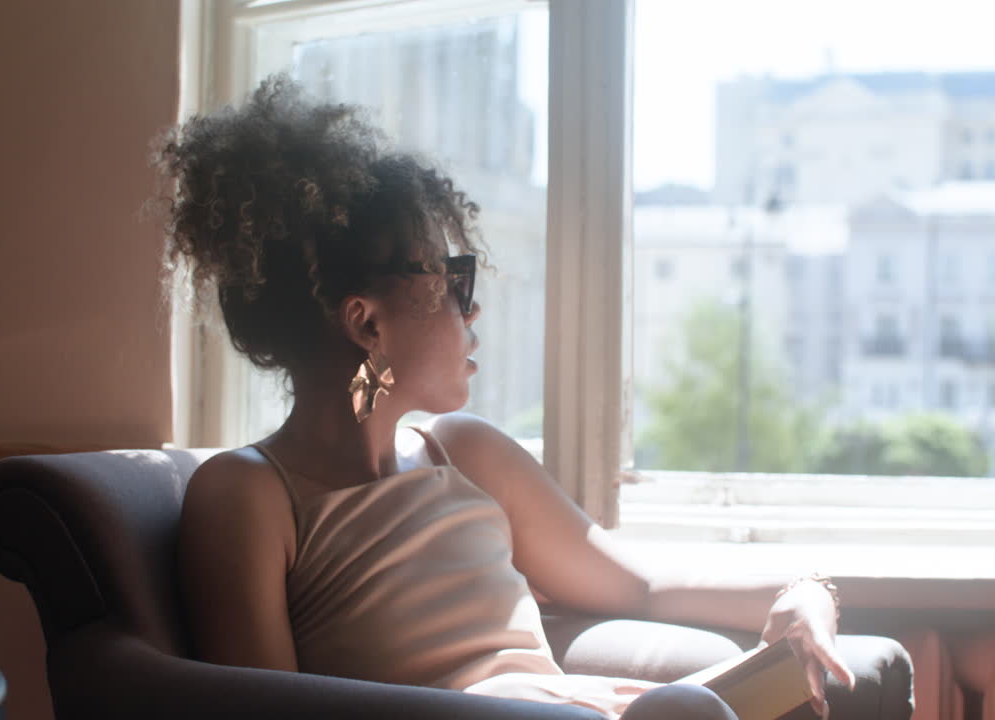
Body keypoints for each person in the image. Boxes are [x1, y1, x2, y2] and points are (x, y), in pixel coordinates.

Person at [158, 75, 906, 720]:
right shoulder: (249, 494)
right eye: (451, 283)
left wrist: (802, 590)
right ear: (366, 322)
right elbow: (263, 712)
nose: (472, 310)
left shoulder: (467, 452)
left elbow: (641, 585)